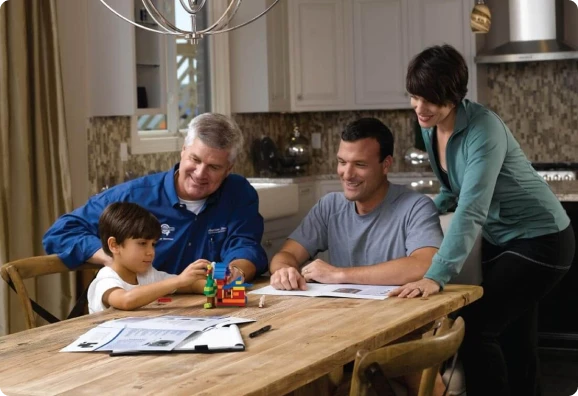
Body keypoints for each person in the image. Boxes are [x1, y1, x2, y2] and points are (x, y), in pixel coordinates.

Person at [391, 44, 575, 396]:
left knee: (474, 327)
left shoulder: (483, 129)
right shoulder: (431, 127)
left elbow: (473, 207)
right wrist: (421, 209)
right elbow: (452, 189)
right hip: (501, 239)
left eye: (428, 99)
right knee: (515, 338)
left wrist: (436, 275)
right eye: (414, 96)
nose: (418, 107)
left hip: (543, 239)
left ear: (454, 95)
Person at [44, 113, 268, 293]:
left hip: (210, 309)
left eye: (214, 167)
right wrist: (112, 258)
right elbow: (61, 232)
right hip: (143, 312)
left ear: (228, 169)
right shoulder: (134, 196)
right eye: (195, 160)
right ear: (183, 151)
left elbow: (246, 244)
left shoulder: (238, 193)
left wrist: (235, 272)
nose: (200, 173)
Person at [269, 117, 443, 292]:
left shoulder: (417, 207)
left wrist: (338, 275)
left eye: (360, 164)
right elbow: (286, 255)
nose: (347, 174)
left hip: (397, 311)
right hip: (345, 311)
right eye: (342, 162)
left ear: (386, 164)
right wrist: (284, 271)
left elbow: (425, 264)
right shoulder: (330, 206)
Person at [88, 202, 206, 313]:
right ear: (114, 245)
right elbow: (126, 300)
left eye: (153, 244)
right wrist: (179, 280)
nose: (151, 252)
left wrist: (216, 287)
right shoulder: (106, 279)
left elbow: (189, 285)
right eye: (142, 243)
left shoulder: (148, 275)